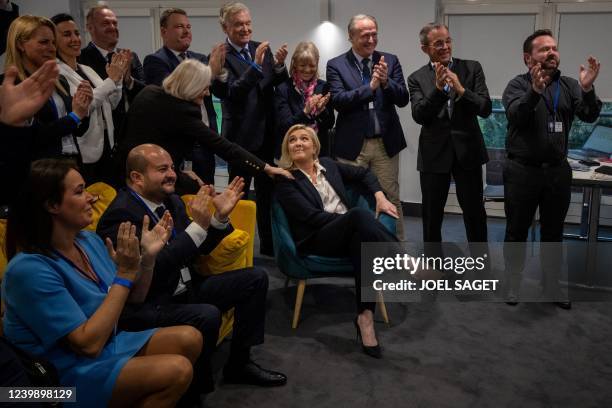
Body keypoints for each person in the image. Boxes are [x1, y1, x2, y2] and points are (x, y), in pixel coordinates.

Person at [1, 158, 203, 407]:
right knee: (177, 370)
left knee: (190, 337)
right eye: (79, 191)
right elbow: (88, 344)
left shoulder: (88, 241)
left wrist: (147, 259)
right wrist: (125, 274)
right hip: (51, 385)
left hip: (106, 346)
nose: (91, 198)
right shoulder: (28, 269)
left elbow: (133, 298)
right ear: (52, 205)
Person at [97, 144, 288, 392]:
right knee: (207, 313)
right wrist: (197, 227)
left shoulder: (171, 201)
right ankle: (194, 390)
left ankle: (239, 364)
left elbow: (198, 248)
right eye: (162, 169)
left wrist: (218, 219)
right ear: (137, 177)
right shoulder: (123, 214)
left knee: (255, 278)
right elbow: (156, 265)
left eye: (173, 168)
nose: (172, 174)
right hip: (151, 301)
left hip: (185, 287)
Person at [274, 124, 399, 359]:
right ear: (287, 149)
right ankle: (404, 260)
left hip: (349, 231)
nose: (298, 143)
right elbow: (312, 218)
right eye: (292, 140)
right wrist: (350, 220)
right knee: (359, 217)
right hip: (317, 238)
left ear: (314, 148)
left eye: (304, 139)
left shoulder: (329, 166)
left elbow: (364, 174)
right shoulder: (286, 181)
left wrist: (380, 197)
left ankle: (365, 318)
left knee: (364, 243)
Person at [502, 29, 602, 309]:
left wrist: (588, 89)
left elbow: (589, 113)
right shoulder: (517, 85)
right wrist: (534, 93)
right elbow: (517, 117)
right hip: (522, 171)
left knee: (553, 232)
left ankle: (552, 284)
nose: (551, 53)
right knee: (516, 230)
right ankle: (513, 282)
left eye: (554, 48)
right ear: (527, 57)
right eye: (543, 49)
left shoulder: (569, 85)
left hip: (557, 171)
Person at [115, 59, 291, 194]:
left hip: (124, 174)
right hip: (151, 183)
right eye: (204, 88)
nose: (207, 93)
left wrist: (181, 171)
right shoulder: (183, 111)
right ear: (191, 86)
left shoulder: (149, 92)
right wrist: (265, 168)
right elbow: (224, 147)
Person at [326, 14, 409, 240]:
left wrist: (385, 82)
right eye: (365, 35)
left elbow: (403, 98)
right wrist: (370, 88)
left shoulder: (389, 61)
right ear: (351, 37)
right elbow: (339, 101)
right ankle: (354, 250)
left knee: (391, 198)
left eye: (374, 34)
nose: (371, 40)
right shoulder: (336, 65)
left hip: (385, 143)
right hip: (353, 144)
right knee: (351, 197)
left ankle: (398, 252)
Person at [408, 22, 492, 245]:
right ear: (425, 48)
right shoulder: (416, 78)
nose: (445, 46)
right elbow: (419, 115)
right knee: (431, 217)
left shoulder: (472, 68)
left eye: (447, 41)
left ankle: (480, 269)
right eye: (438, 43)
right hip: (434, 155)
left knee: (475, 214)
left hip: (468, 152)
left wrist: (461, 90)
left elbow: (485, 108)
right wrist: (437, 90)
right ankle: (433, 270)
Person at [219, 1, 289, 256]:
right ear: (225, 26)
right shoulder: (220, 56)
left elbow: (277, 84)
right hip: (240, 139)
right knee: (238, 197)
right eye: (239, 24)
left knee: (268, 197)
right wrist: (256, 67)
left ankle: (269, 248)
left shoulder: (262, 49)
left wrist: (280, 66)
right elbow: (232, 93)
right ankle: (238, 249)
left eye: (248, 23)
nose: (245, 28)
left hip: (268, 136)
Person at [1, 16, 92, 207]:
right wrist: (74, 117)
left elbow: (77, 131)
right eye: (43, 42)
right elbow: (34, 137)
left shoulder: (60, 82)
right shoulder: (10, 87)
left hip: (71, 166)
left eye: (52, 42)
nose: (51, 48)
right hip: (37, 174)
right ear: (20, 45)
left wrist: (83, 111)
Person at [143, 7, 228, 185]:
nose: (186, 30)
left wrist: (220, 73)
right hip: (180, 142)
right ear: (163, 31)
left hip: (205, 139)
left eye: (188, 26)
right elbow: (172, 98)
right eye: (180, 26)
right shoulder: (156, 61)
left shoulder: (199, 58)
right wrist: (210, 72)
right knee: (185, 195)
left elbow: (219, 92)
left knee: (207, 192)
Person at [52, 13, 126, 184]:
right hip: (84, 152)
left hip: (107, 146)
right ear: (53, 41)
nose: (75, 39)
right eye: (66, 34)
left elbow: (111, 103)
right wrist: (111, 81)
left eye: (77, 33)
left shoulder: (86, 69)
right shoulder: (57, 72)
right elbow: (82, 107)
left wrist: (118, 79)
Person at [78, 5, 145, 133]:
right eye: (105, 23)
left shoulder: (130, 56)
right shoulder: (81, 59)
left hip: (130, 130)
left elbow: (144, 94)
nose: (112, 27)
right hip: (99, 133)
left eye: (115, 23)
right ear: (90, 28)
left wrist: (128, 79)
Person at [274, 41, 335, 158]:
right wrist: (305, 112)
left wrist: (321, 110)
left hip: (318, 153)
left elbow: (330, 124)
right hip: (290, 153)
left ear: (317, 64)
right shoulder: (283, 88)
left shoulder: (324, 87)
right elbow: (284, 126)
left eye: (312, 65)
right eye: (302, 65)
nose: (307, 70)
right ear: (295, 64)